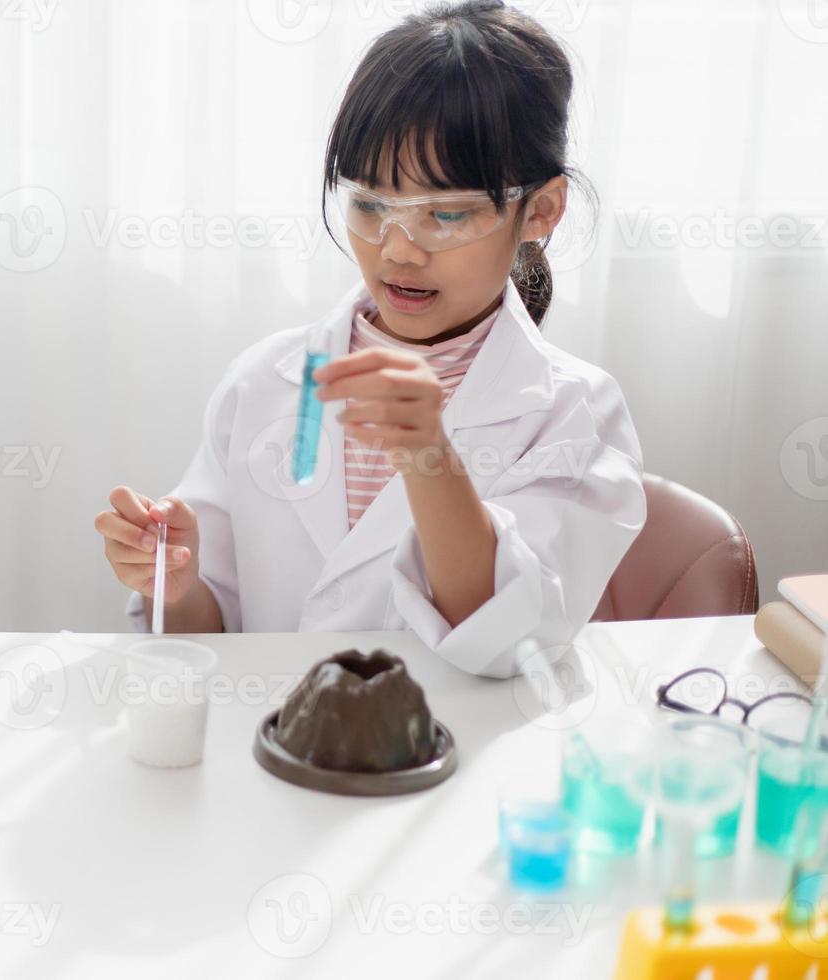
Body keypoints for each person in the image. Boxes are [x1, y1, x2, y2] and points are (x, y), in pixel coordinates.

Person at [93, 0, 645, 678]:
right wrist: (172, 585)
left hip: (446, 770)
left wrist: (427, 454)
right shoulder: (268, 381)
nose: (398, 250)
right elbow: (214, 635)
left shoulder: (574, 414)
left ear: (540, 211)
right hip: (270, 757)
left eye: (445, 213)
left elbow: (503, 641)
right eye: (370, 205)